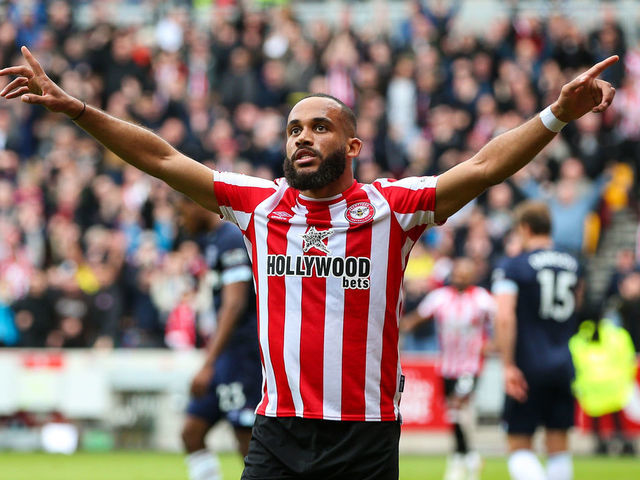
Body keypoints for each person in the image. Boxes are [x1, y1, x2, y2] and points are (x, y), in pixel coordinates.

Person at [0, 46, 617, 479]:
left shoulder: (392, 209)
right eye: (294, 127)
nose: (301, 136)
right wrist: (78, 110)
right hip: (277, 430)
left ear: (351, 146)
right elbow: (162, 158)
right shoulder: (258, 206)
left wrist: (557, 113)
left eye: (319, 127)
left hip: (365, 435)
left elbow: (483, 167)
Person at [492, 201, 583, 480]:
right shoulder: (574, 264)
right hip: (563, 363)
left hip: (528, 364)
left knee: (518, 445)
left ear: (524, 228)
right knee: (558, 445)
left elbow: (505, 316)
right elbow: (577, 308)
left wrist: (508, 365)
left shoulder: (514, 266)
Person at [178, 199, 261, 480]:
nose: (181, 219)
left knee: (246, 439)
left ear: (196, 204)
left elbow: (234, 304)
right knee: (192, 432)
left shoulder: (231, 239)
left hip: (241, 354)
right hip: (224, 357)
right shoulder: (213, 241)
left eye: (183, 210)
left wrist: (208, 362)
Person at [402, 257, 495, 480]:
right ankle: (466, 457)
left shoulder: (482, 299)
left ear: (473, 276)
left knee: (457, 406)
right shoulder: (440, 297)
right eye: (456, 273)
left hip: (471, 365)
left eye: (464, 274)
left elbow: (500, 322)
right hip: (447, 366)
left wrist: (493, 344)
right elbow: (416, 319)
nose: (459, 277)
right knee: (454, 414)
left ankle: (462, 460)